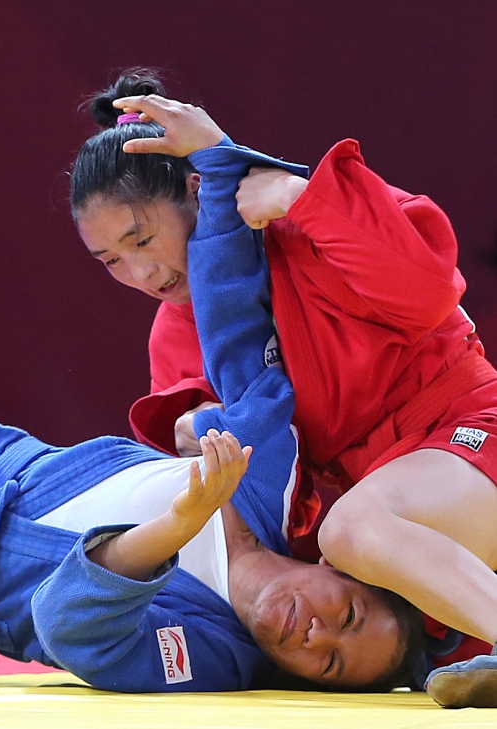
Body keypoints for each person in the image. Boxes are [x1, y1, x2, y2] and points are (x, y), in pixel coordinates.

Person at [0, 106, 423, 695]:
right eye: (348, 617)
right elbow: (235, 329)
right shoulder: (265, 476)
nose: (317, 636)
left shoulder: (213, 652)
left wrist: (177, 525)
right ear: (343, 568)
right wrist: (220, 168)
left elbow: (73, 631)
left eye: (330, 664)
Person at [69, 71, 497, 707]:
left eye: (142, 239)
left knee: (353, 531)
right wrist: (192, 431)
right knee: (356, 569)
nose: (141, 273)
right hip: (387, 510)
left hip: (467, 426)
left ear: (195, 189)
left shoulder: (305, 216)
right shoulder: (176, 332)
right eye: (111, 262)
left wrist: (303, 197)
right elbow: (240, 494)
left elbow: (430, 291)